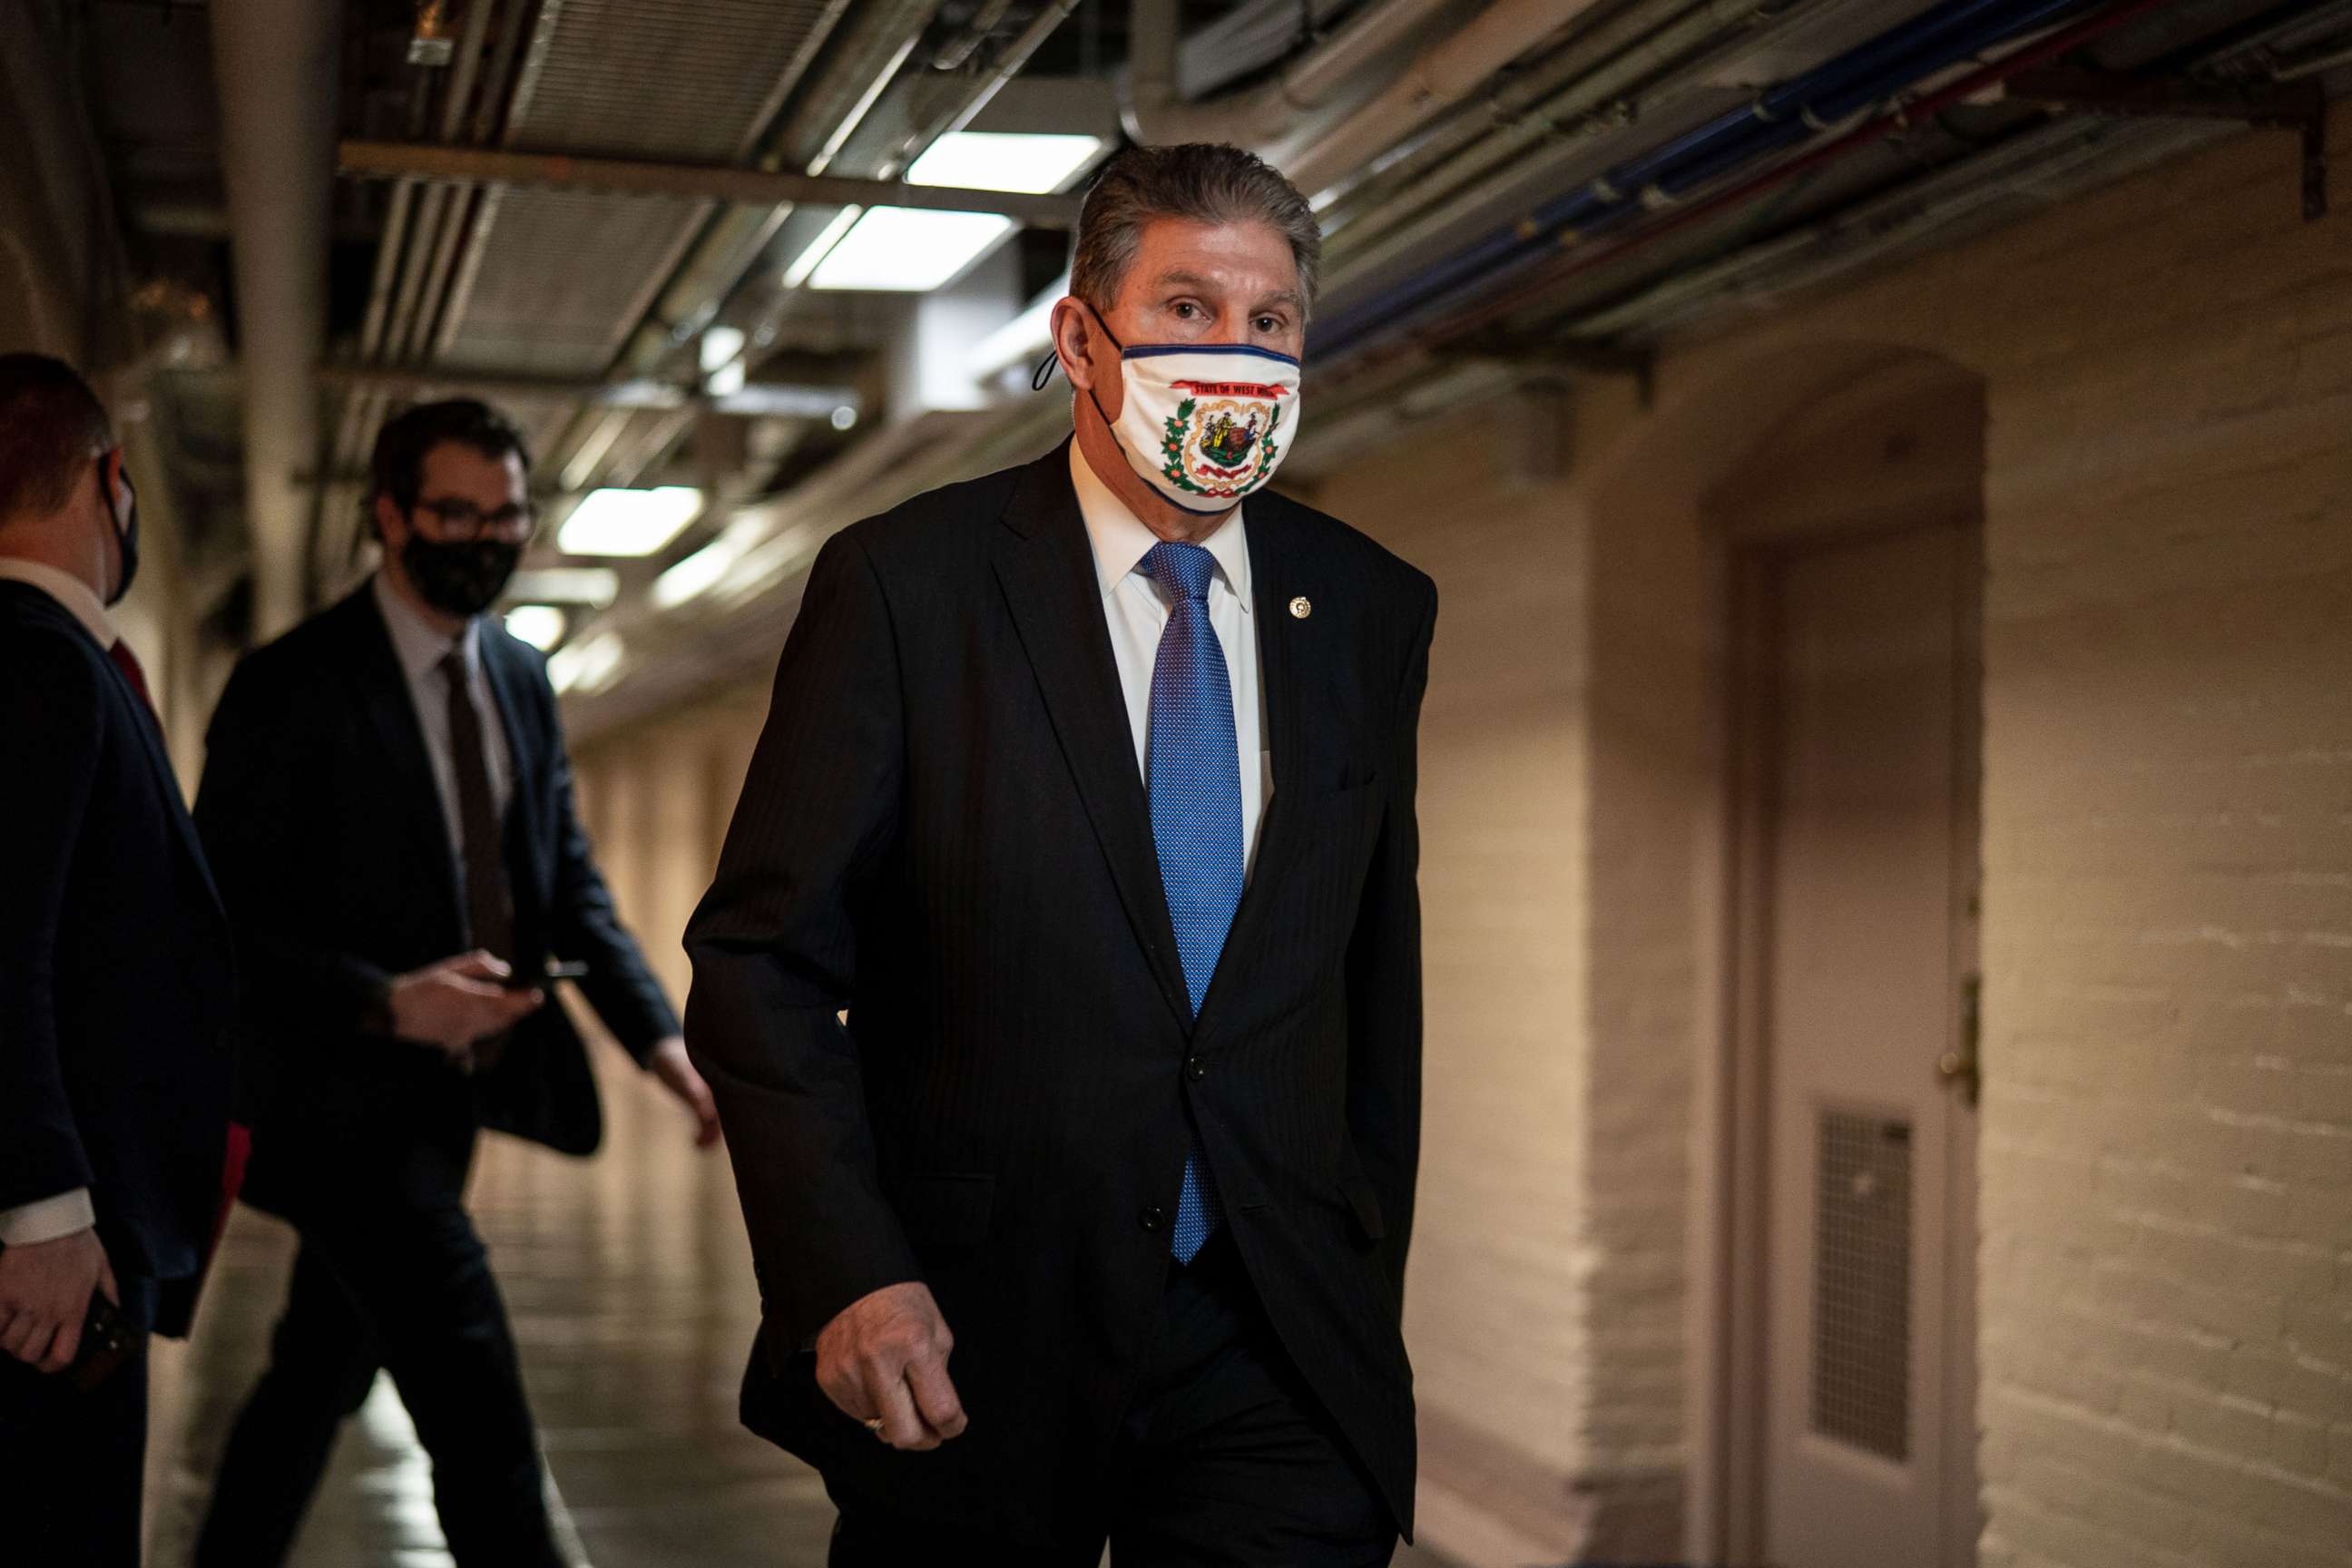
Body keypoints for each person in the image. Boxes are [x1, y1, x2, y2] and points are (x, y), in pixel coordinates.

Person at [686, 142, 1437, 1565]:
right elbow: (761, 965)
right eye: (1188, 310)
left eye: (1268, 320)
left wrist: (1359, 1261)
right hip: (975, 1321)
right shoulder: (910, 586)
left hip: (1270, 1334)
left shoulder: (1365, 608)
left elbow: (1372, 981)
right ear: (1081, 338)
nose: (1235, 352)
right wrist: (848, 1272)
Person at [191, 398, 721, 1567]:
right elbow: (218, 920)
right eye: (455, 513)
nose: (485, 538)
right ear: (389, 515)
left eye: (508, 516)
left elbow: (565, 885)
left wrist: (663, 1047)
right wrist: (384, 997)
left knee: (312, 1376)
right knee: (477, 1407)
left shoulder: (520, 678)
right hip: (336, 1111)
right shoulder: (294, 685)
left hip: (449, 1107)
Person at [0, 353, 240, 1563]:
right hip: (57, 1245)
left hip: (85, 1227)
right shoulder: (36, 659)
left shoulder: (66, 660)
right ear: (109, 479)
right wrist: (40, 1211)